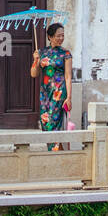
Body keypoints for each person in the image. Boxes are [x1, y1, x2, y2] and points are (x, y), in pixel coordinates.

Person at [30, 22, 71, 151]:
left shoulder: (66, 54)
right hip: (45, 92)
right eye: (58, 36)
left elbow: (68, 76)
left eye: (62, 35)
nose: (61, 38)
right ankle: (56, 152)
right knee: (45, 122)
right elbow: (33, 74)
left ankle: (55, 153)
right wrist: (36, 60)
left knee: (54, 122)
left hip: (59, 91)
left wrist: (69, 97)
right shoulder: (42, 52)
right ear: (50, 37)